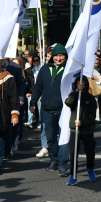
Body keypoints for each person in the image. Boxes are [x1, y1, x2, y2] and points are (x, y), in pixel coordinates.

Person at [31, 44, 68, 173]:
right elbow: (38, 87)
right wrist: (33, 102)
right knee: (50, 136)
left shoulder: (69, 70)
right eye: (56, 55)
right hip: (47, 109)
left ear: (65, 57)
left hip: (64, 109)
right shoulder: (45, 69)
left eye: (61, 55)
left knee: (64, 137)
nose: (58, 58)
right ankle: (54, 160)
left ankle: (63, 162)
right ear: (52, 57)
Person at [63, 75, 98, 186]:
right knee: (73, 153)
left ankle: (90, 169)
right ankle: (73, 175)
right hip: (75, 130)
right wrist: (75, 92)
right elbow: (68, 102)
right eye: (78, 82)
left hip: (87, 129)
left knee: (90, 151)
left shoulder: (91, 98)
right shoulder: (73, 96)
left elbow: (92, 116)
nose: (81, 84)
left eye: (82, 82)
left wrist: (83, 122)